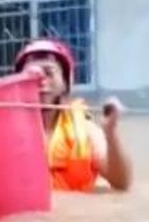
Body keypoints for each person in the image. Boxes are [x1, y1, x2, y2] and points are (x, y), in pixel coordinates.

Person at [14, 39, 132, 192]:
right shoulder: (4, 132)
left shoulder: (86, 129)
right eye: (31, 75)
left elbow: (121, 184)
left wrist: (110, 132)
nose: (41, 81)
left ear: (65, 83)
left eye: (49, 73)